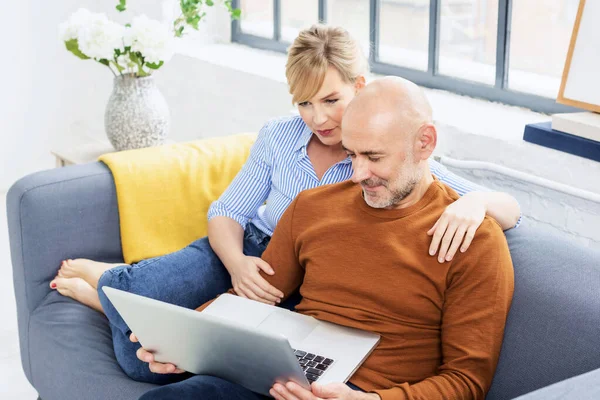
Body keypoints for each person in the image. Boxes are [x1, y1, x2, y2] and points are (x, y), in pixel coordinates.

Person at [49, 25, 520, 384]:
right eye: (304, 104)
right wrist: (236, 266)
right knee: (144, 308)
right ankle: (107, 282)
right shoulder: (281, 136)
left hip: (292, 272)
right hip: (245, 249)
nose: (319, 118)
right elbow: (227, 212)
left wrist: (474, 201)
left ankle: (102, 296)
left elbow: (491, 202)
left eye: (331, 100)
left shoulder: (393, 155)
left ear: (360, 86)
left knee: (143, 360)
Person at [135, 76, 515, 400]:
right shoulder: (312, 206)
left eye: (374, 157)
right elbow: (250, 300)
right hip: (281, 381)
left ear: (425, 143)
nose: (358, 174)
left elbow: (467, 381)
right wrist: (187, 342)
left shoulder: (475, 240)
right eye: (351, 155)